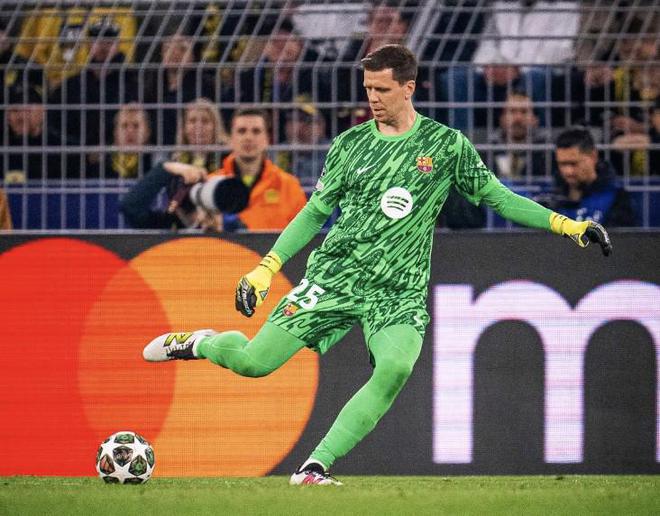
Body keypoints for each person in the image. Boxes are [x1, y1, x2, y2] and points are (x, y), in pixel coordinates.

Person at [142, 45, 612, 486]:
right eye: (368, 88)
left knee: (394, 369)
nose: (373, 98)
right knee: (253, 363)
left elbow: (498, 198)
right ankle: (202, 342)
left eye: (382, 89)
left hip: (398, 291)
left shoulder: (445, 145)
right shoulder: (350, 145)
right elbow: (314, 213)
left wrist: (566, 225)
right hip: (335, 277)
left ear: (408, 88)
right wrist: (267, 267)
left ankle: (314, 467)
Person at [440, 1, 580, 131]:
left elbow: (560, 49)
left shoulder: (566, 6)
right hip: (499, 71)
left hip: (538, 71)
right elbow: (488, 42)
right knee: (455, 78)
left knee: (536, 77)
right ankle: (462, 141)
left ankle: (542, 138)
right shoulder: (502, 4)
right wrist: (489, 65)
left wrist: (516, 68)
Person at [47, 18, 139, 175]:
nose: (103, 46)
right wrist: (83, 152)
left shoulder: (133, 83)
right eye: (97, 41)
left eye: (109, 41)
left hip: (120, 163)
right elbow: (54, 128)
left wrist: (108, 150)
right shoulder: (71, 86)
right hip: (74, 164)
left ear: (117, 45)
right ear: (88, 45)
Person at [120, 98, 227, 229]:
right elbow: (130, 207)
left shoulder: (227, 162)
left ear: (216, 127)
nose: (198, 127)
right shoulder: (175, 167)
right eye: (192, 121)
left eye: (205, 121)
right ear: (184, 128)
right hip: (179, 226)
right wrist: (166, 167)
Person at [206, 108, 307, 231]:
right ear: (231, 139)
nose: (248, 137)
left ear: (267, 139)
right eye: (242, 131)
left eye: (256, 131)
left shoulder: (289, 186)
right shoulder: (212, 184)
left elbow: (303, 235)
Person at [535, 127, 636, 227]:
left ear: (593, 156)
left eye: (574, 163)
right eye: (562, 164)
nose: (568, 171)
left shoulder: (617, 198)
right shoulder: (548, 198)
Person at [2, 84, 64, 182]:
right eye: (15, 110)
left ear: (43, 111)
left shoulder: (65, 150)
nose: (21, 116)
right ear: (7, 117)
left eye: (28, 110)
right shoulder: (3, 151)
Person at [485, 91, 549, 179]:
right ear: (501, 118)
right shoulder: (486, 151)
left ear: (536, 119)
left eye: (524, 112)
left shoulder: (547, 153)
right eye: (512, 111)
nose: (518, 118)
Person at [275, 100, 330, 188]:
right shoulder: (278, 152)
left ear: (321, 125)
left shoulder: (332, 152)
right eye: (290, 119)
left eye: (302, 119)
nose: (294, 126)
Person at [90, 103, 152, 179]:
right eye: (124, 126)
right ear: (115, 132)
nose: (130, 131)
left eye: (136, 126)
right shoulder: (99, 161)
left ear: (148, 132)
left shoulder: (157, 162)